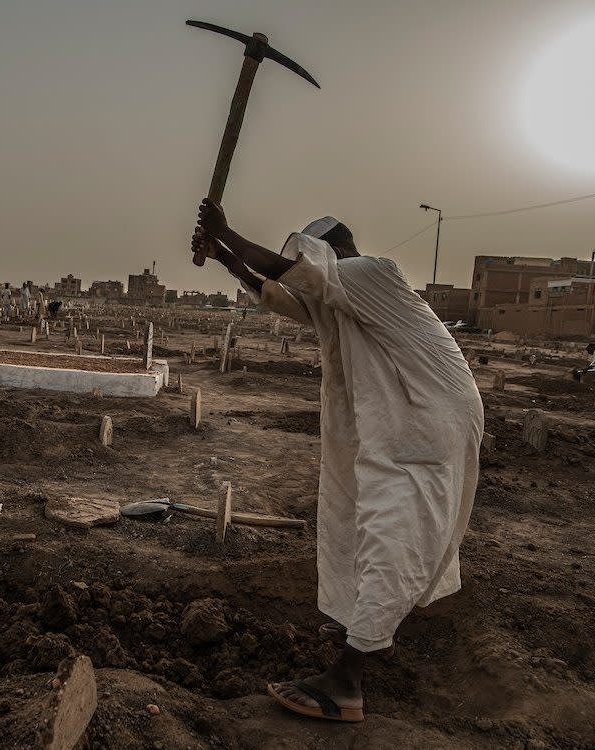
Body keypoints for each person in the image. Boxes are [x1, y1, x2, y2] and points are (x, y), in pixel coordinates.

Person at [192, 198, 483, 723]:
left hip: (427, 421)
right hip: (405, 420)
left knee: (393, 526)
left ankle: (348, 680)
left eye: (312, 259)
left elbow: (288, 271)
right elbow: (278, 293)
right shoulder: (339, 298)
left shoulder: (373, 273)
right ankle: (365, 620)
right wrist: (223, 256)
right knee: (359, 512)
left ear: (331, 250)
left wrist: (227, 230)